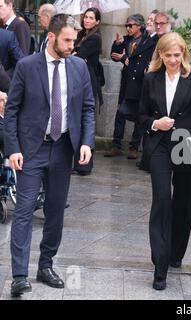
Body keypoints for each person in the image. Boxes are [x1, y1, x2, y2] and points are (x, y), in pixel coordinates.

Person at [4, 13, 95, 297]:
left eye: (74, 39)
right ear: (52, 36)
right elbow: (12, 111)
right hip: (31, 149)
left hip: (64, 148)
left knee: (55, 211)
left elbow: (88, 108)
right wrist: (13, 149)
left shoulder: (79, 66)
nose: (72, 45)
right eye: (67, 40)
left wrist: (87, 142)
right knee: (24, 210)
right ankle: (20, 275)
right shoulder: (27, 66)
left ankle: (46, 265)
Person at [138, 32, 191, 291]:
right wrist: (154, 123)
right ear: (160, 55)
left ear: (183, 54)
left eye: (177, 55)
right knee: (162, 200)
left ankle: (175, 254)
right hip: (160, 147)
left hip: (187, 148)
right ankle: (160, 267)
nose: (173, 60)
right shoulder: (150, 79)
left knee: (183, 203)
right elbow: (139, 115)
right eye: (168, 55)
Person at [104, 14, 158, 160]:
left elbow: (136, 60)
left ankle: (134, 146)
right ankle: (116, 145)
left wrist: (126, 59)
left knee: (140, 115)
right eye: (126, 25)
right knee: (120, 113)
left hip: (140, 82)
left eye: (130, 25)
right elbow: (114, 55)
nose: (127, 28)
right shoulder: (126, 39)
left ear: (139, 26)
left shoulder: (148, 40)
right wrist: (117, 44)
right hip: (127, 82)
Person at [71, 7, 103, 176]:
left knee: (86, 121)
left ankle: (84, 165)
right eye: (86, 17)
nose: (87, 20)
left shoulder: (95, 38)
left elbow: (77, 55)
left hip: (87, 80)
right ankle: (79, 163)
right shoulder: (82, 34)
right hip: (79, 77)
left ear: (97, 21)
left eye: (91, 18)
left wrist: (74, 51)